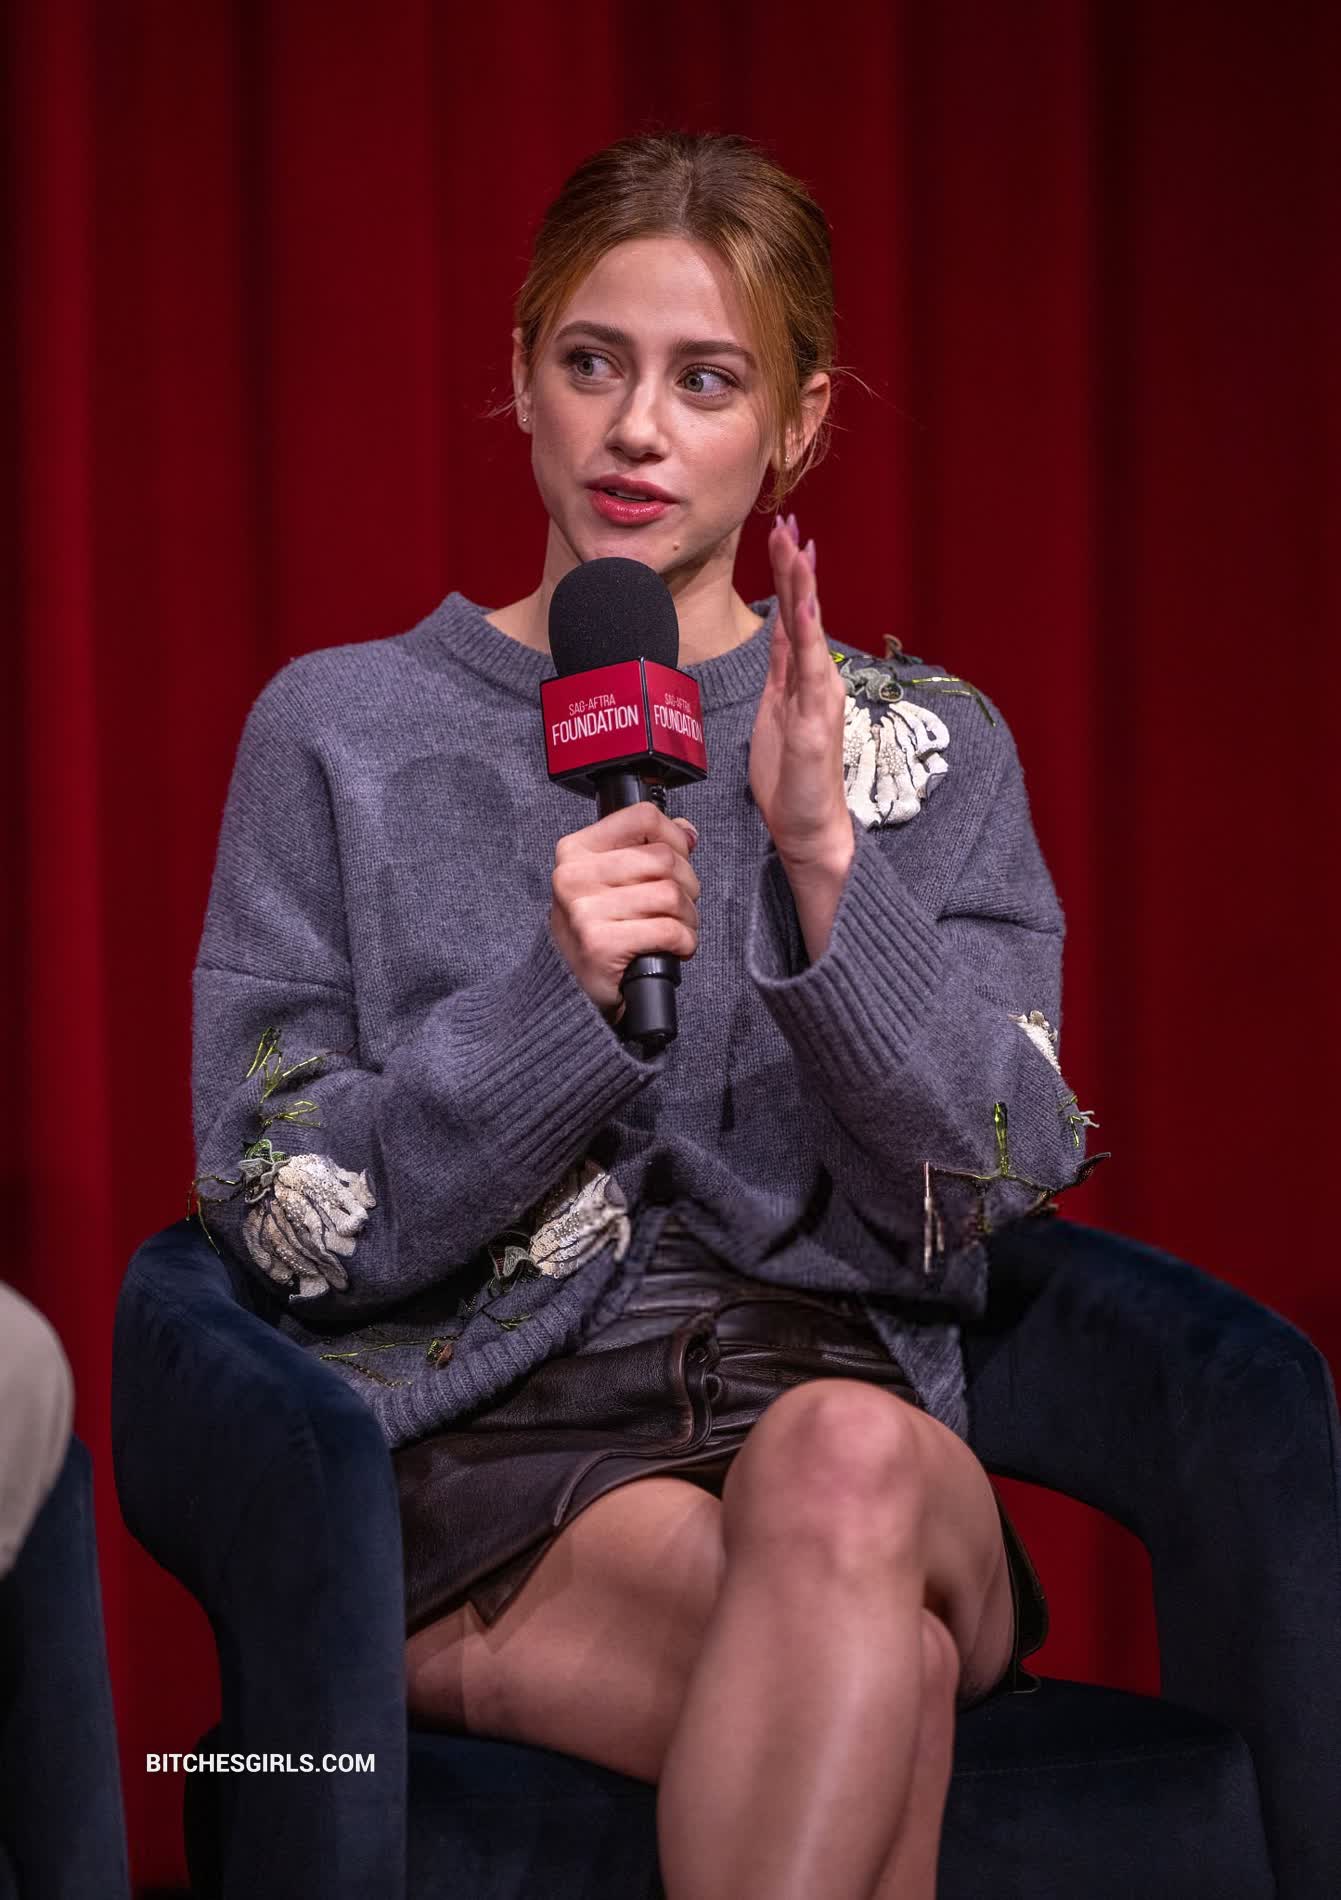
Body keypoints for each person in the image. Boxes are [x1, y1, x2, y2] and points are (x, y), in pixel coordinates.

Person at [190, 131, 1104, 1900]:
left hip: (842, 1406)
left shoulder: (917, 747)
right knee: (885, 1679)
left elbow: (997, 1171)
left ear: (796, 424)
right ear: (520, 375)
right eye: (591, 362)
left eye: (705, 381)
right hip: (508, 1454)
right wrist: (552, 1008)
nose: (633, 431)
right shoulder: (342, 729)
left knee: (841, 1463)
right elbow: (277, 1202)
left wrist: (828, 872)